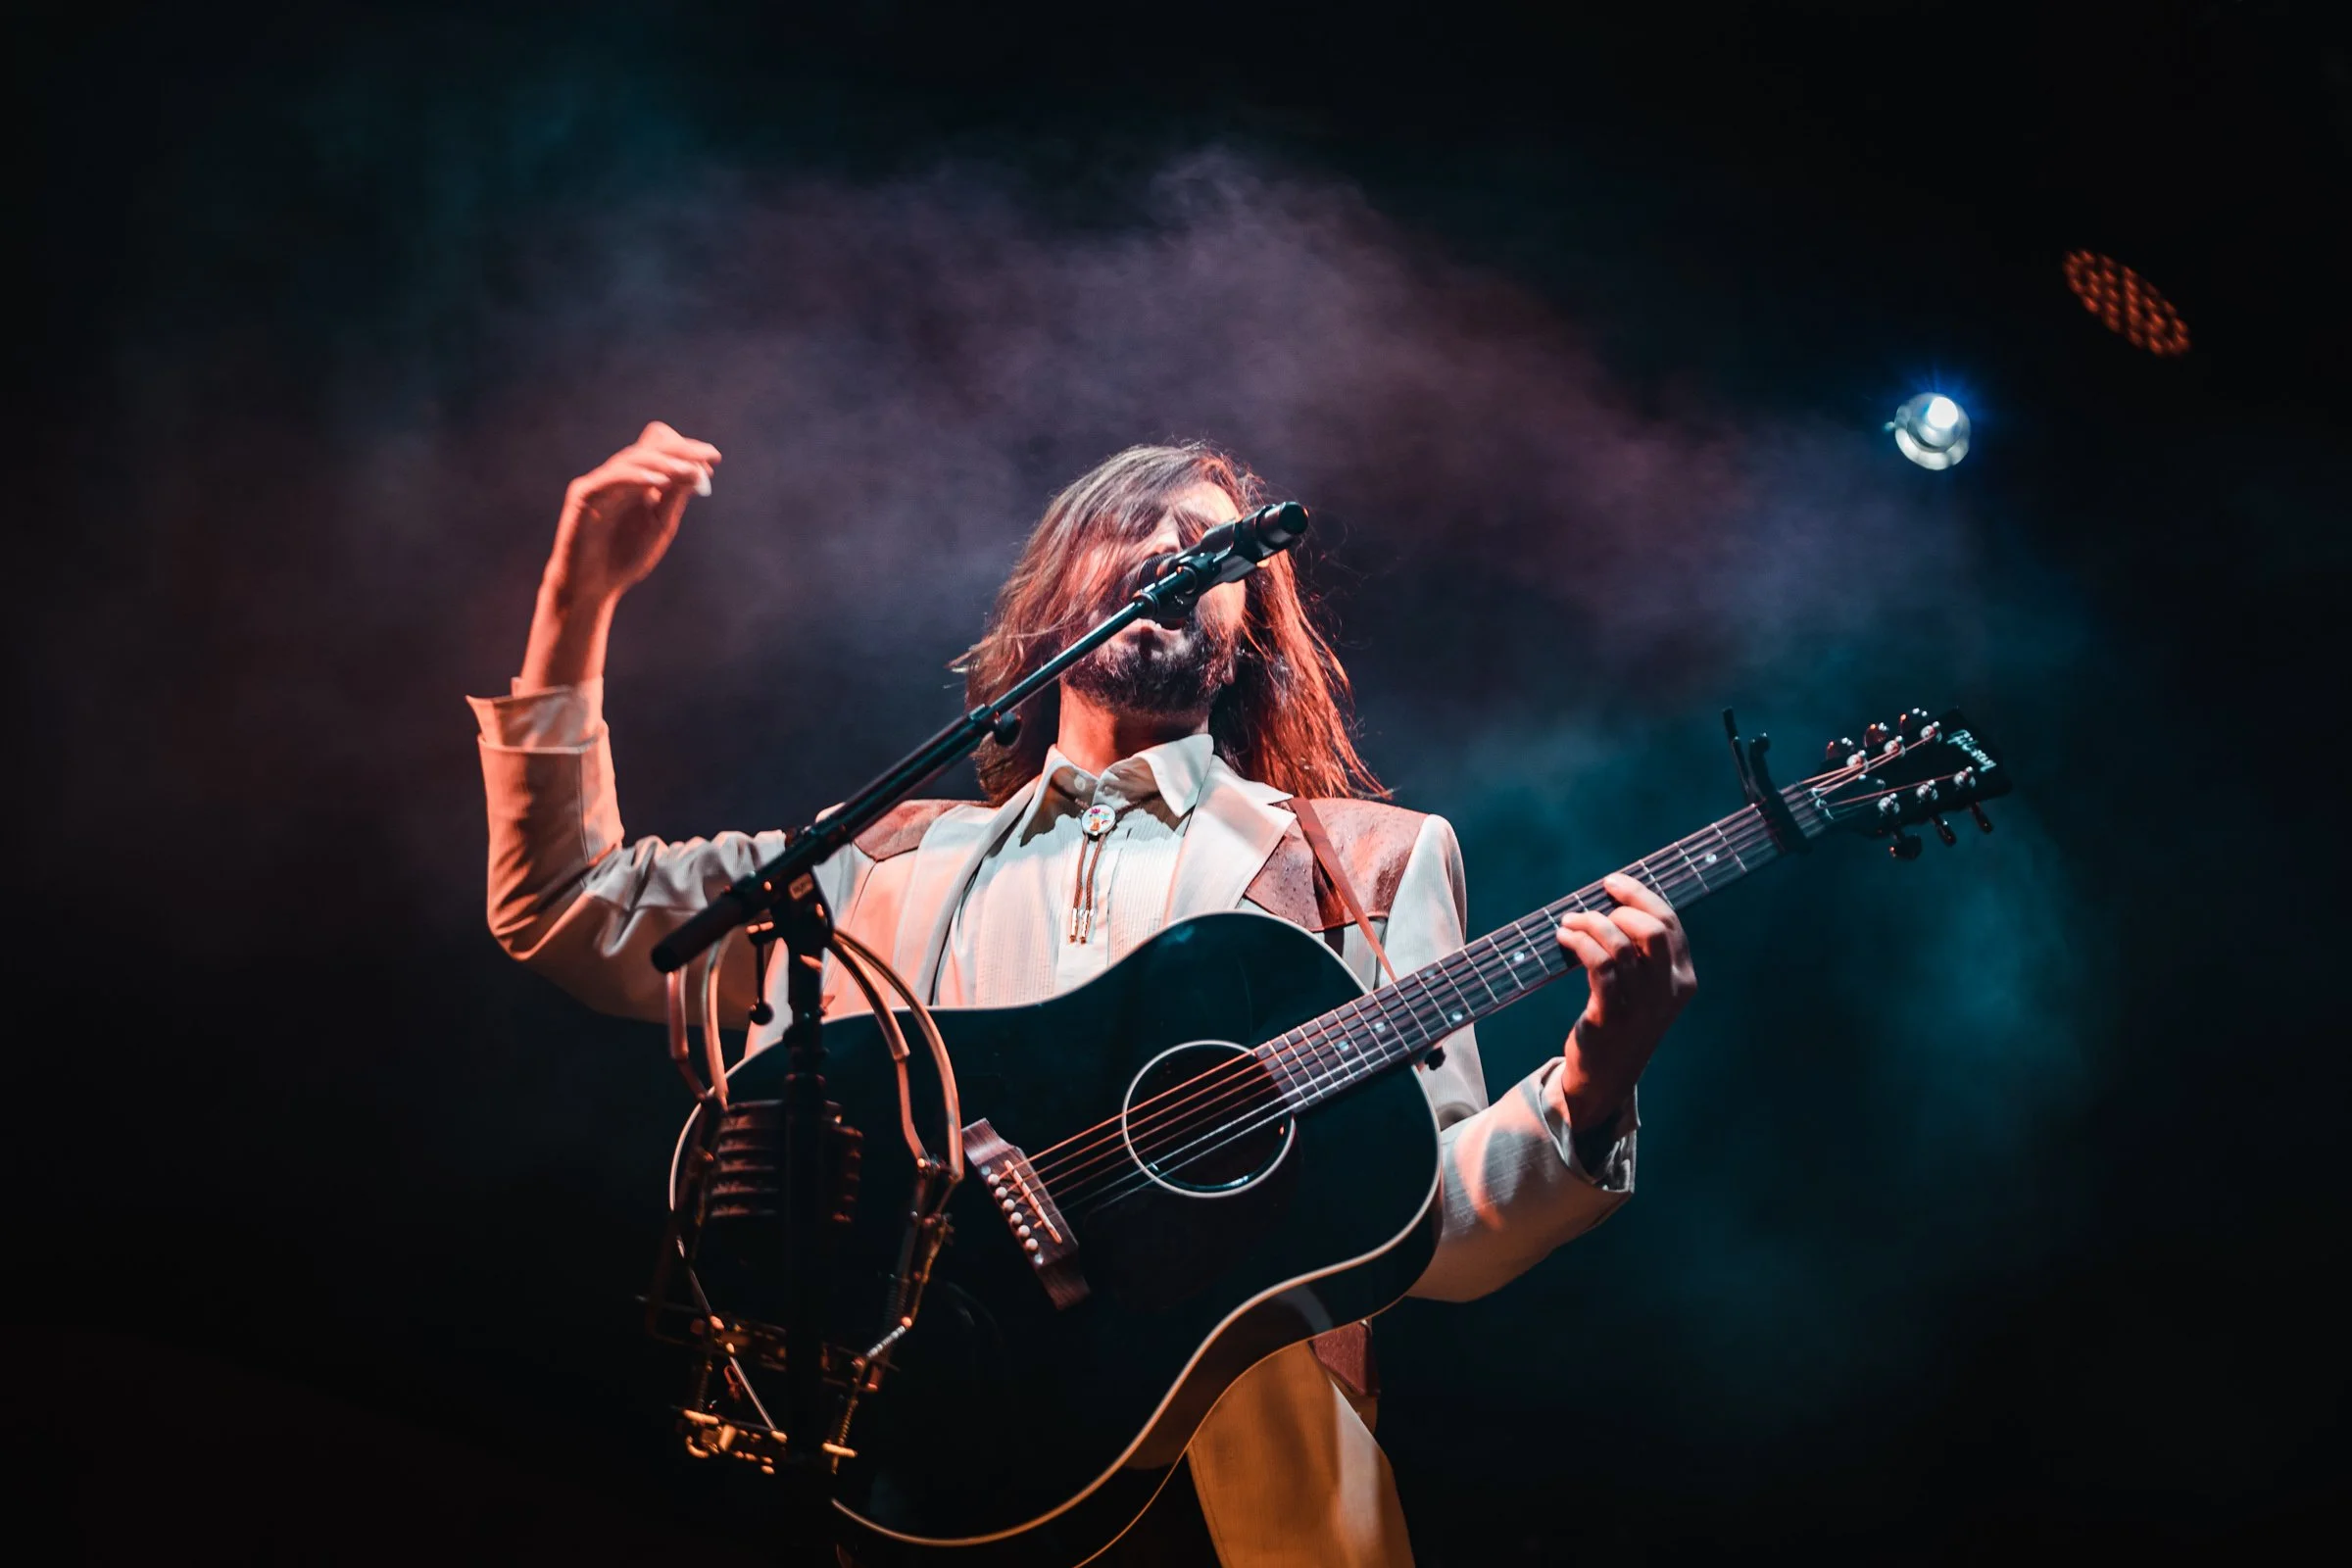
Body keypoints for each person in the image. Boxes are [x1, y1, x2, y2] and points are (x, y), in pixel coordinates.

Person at [470, 422, 1697, 1567]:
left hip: (1247, 1503)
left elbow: (1433, 1234)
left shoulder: (1366, 866)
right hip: (932, 1472)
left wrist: (1591, 1087)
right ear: (1055, 595)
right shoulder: (881, 859)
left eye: (1209, 545)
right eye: (1131, 523)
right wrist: (575, 600)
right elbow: (570, 906)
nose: (1168, 549)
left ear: (1247, 635)